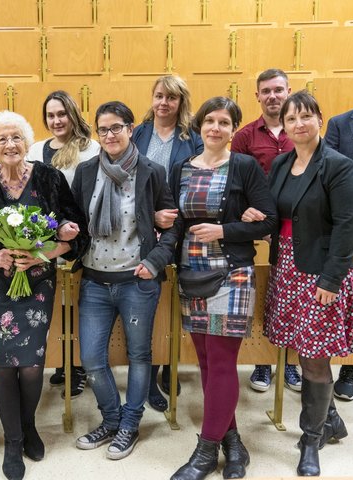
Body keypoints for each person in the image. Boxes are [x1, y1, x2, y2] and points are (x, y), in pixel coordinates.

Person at [0, 111, 88, 480]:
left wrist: (46, 250)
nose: (10, 145)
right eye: (2, 139)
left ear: (27, 142)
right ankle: (12, 441)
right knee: (4, 361)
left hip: (39, 282)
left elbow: (76, 233)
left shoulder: (50, 178)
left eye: (16, 137)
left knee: (33, 362)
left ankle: (28, 427)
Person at [168, 97, 276, 480]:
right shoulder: (181, 167)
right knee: (206, 363)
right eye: (209, 121)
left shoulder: (243, 166)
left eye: (224, 122)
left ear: (234, 129)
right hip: (192, 273)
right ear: (199, 127)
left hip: (232, 273)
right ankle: (233, 443)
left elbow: (269, 220)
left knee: (222, 359)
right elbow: (176, 222)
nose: (216, 127)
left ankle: (204, 452)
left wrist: (226, 230)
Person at [72, 101, 179, 460]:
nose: (110, 135)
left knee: (139, 355)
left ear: (131, 129)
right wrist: (67, 231)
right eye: (103, 129)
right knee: (91, 357)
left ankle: (130, 425)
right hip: (94, 281)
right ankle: (112, 419)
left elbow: (172, 225)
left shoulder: (152, 171)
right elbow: (72, 220)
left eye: (116, 127)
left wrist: (154, 261)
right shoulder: (87, 171)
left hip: (137, 280)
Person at [263, 91, 353, 476]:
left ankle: (310, 439)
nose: (298, 124)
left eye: (306, 116)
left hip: (321, 273)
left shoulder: (339, 165)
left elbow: (349, 225)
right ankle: (331, 419)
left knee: (316, 359)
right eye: (290, 119)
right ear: (283, 126)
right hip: (287, 266)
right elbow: (274, 211)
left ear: (320, 118)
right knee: (302, 350)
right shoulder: (283, 162)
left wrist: (332, 278)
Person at [132, 75, 203, 411]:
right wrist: (151, 215)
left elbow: (196, 181)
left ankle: (168, 363)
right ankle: (150, 373)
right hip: (144, 225)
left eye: (171, 98)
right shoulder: (138, 133)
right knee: (152, 299)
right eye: (159, 96)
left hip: (180, 224)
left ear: (180, 102)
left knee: (175, 299)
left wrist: (171, 216)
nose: (164, 103)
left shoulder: (193, 139)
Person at [231, 68, 301, 393]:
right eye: (266, 91)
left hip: (294, 231)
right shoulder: (245, 136)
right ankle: (263, 361)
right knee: (263, 294)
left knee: (295, 298)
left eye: (278, 90)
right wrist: (255, 221)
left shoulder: (301, 132)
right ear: (257, 96)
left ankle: (289, 363)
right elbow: (237, 185)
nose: (272, 96)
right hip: (258, 230)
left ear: (289, 91)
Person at [28, 90, 100, 398]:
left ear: (72, 114)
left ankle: (78, 367)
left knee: (75, 306)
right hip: (43, 241)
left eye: (62, 114)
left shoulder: (91, 149)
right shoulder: (35, 148)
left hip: (78, 238)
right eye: (51, 115)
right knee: (55, 305)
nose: (56, 120)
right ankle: (61, 363)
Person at [324, 107, 353, 401]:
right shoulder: (341, 123)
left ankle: (352, 368)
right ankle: (349, 369)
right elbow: (329, 168)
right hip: (345, 217)